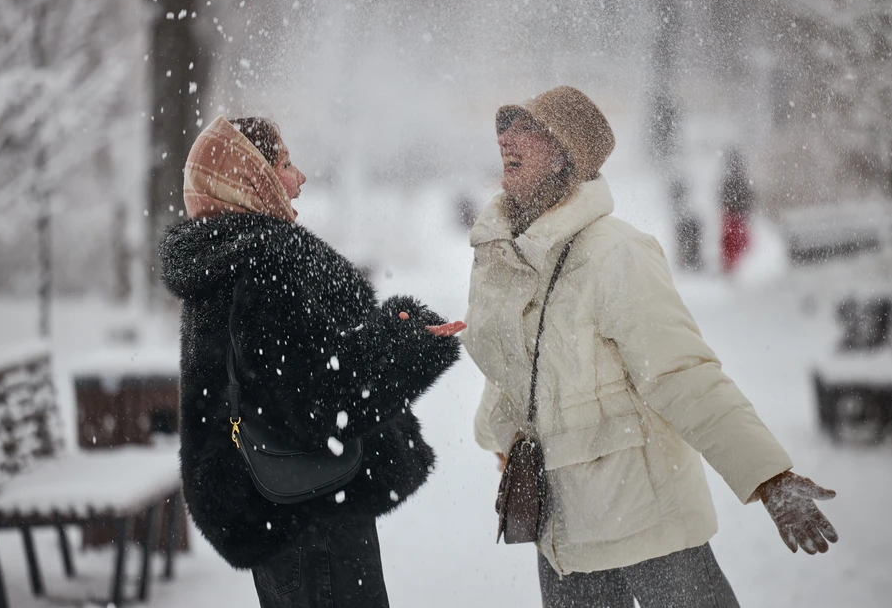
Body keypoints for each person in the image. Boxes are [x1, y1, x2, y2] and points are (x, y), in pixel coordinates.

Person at [462, 86, 837, 608]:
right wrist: (498, 436)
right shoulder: (507, 257)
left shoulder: (616, 254)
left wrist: (769, 476)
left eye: (528, 127)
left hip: (650, 529)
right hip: (563, 539)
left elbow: (684, 375)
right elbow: (511, 371)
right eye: (505, 125)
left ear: (565, 159)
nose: (507, 136)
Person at [160, 115, 464, 608]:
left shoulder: (223, 256)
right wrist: (407, 346)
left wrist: (385, 329)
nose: (299, 179)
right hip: (313, 512)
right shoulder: (269, 259)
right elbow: (321, 401)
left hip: (277, 503)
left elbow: (285, 379)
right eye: (283, 163)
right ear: (248, 177)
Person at [718, 147, 755, 274]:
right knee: (735, 243)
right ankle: (731, 266)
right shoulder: (740, 179)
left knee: (731, 243)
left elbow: (723, 197)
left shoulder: (729, 180)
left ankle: (730, 266)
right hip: (737, 216)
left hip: (733, 216)